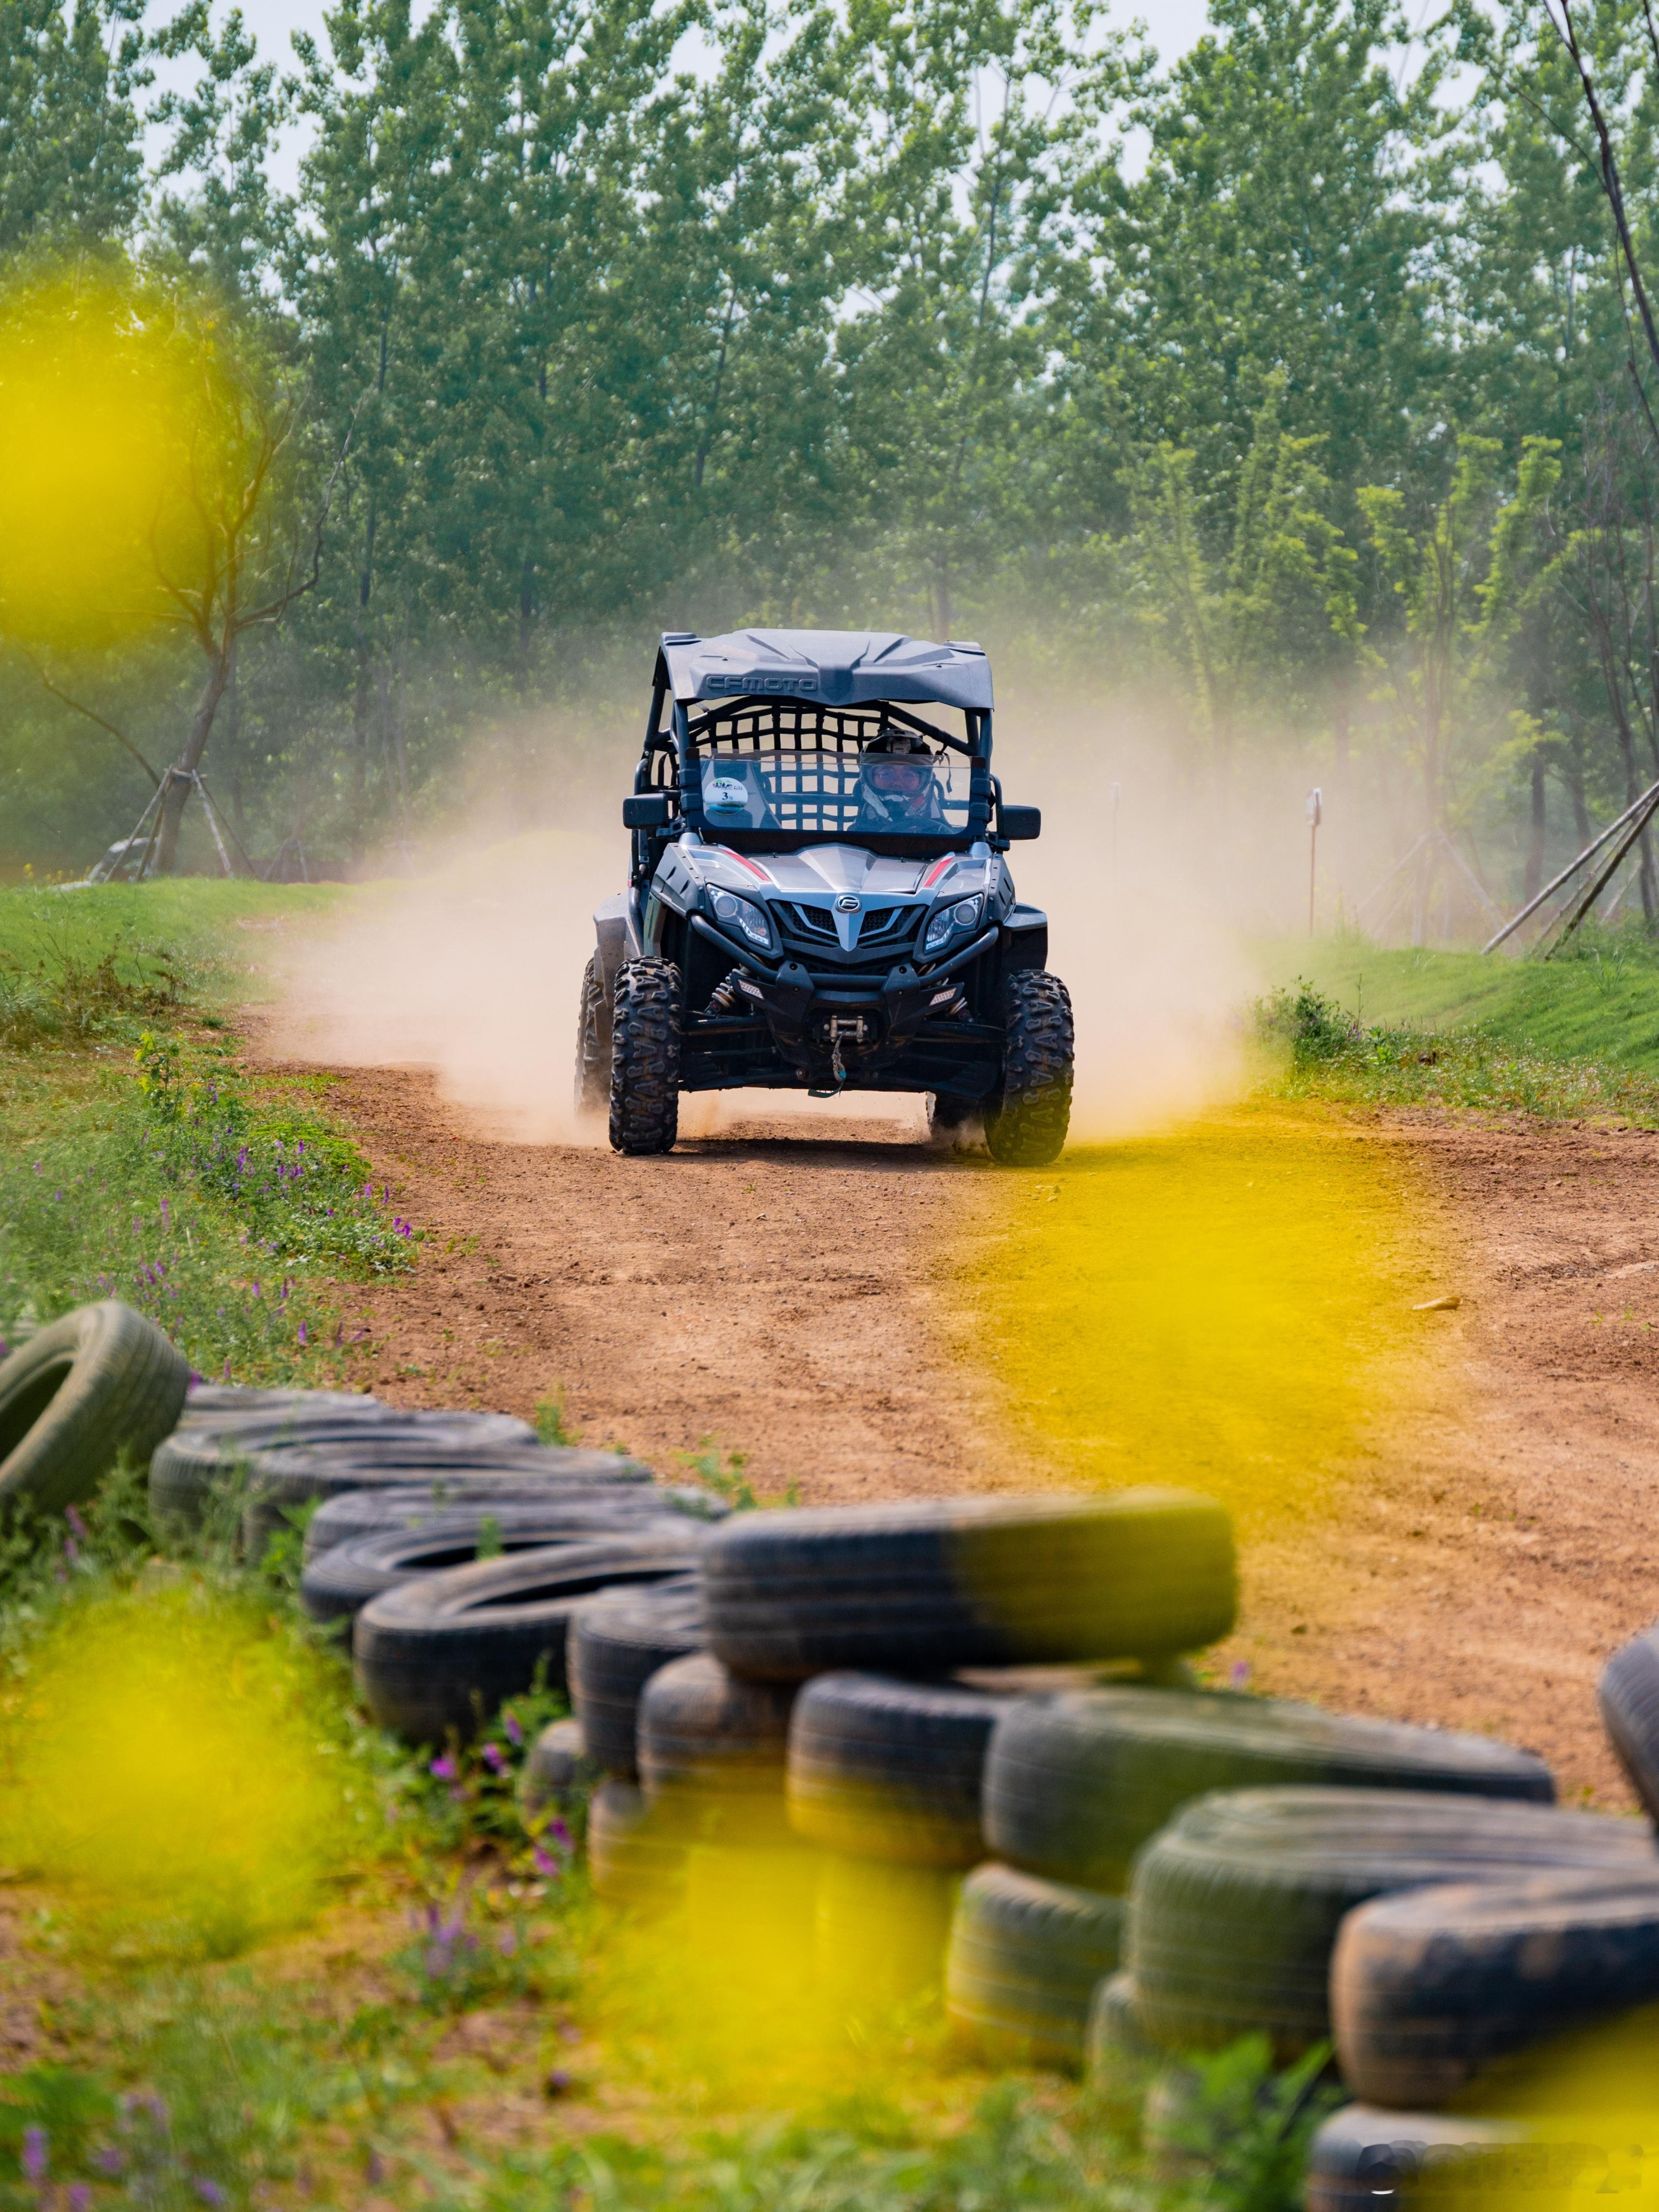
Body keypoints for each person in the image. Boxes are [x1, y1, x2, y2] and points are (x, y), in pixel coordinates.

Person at [853, 732, 946, 828]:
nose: (897, 783)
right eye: (886, 774)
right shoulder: (853, 836)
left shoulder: (945, 835)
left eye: (908, 775)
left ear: (924, 781)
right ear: (868, 779)